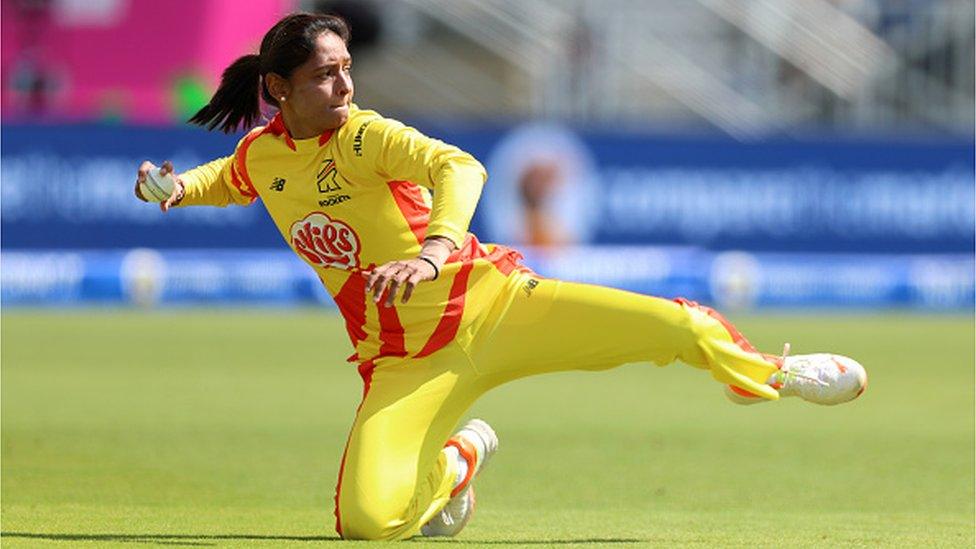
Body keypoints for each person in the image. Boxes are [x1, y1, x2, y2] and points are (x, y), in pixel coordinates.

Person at [134, 13, 867, 541]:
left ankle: (771, 373)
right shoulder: (265, 155)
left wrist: (433, 248)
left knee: (673, 325)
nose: (344, 85)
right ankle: (458, 462)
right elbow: (230, 178)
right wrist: (173, 190)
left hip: (495, 305)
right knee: (366, 524)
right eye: (326, 74)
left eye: (347, 68)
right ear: (278, 87)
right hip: (406, 363)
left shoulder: (366, 136)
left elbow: (460, 165)